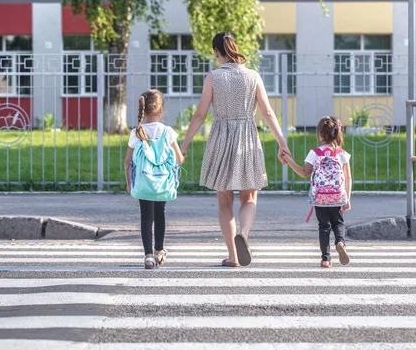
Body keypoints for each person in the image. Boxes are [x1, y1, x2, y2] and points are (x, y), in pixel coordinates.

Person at [180, 32, 291, 267]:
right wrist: (282, 142)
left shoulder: (213, 77)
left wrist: (184, 145)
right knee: (249, 197)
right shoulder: (253, 76)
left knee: (225, 201)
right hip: (247, 138)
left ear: (216, 52)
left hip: (221, 137)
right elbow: (268, 112)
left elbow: (200, 115)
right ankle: (244, 234)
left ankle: (233, 256)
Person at [280, 116, 352, 268]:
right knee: (338, 223)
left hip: (320, 197)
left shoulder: (315, 153)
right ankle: (340, 242)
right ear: (337, 133)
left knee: (324, 226)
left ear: (320, 134)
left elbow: (303, 172)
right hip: (338, 196)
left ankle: (326, 259)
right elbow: (348, 178)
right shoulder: (342, 154)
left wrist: (289, 161)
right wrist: (347, 198)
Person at [124, 89, 184, 269]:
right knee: (160, 216)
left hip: (143, 182)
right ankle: (159, 252)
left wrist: (129, 183)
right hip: (162, 183)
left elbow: (128, 161)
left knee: (146, 217)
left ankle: (148, 257)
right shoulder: (167, 132)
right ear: (161, 110)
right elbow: (179, 159)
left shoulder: (138, 132)